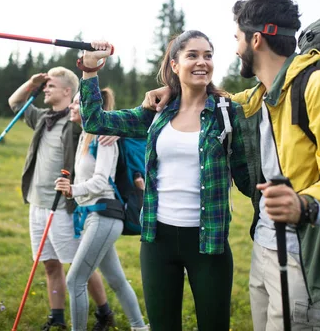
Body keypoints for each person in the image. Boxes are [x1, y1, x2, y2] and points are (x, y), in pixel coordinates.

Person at [143, 0, 320, 330]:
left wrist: (306, 205)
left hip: (303, 255)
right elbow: (208, 102)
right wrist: (175, 92)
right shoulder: (258, 97)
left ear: (256, 39)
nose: (236, 48)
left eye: (237, 38)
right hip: (264, 247)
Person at [76, 31, 250, 331]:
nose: (202, 62)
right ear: (174, 64)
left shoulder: (228, 112)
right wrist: (90, 71)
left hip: (208, 242)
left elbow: (249, 177)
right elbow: (95, 121)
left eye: (208, 55)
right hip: (157, 239)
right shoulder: (157, 111)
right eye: (192, 55)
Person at [8, 67, 116, 331]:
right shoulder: (43, 117)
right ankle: (57, 317)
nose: (46, 89)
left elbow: (102, 122)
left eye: (51, 86)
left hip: (64, 206)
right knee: (49, 265)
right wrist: (32, 83)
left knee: (79, 266)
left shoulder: (77, 121)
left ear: (68, 91)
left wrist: (114, 130)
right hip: (37, 203)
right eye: (45, 86)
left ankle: (105, 313)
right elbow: (15, 103)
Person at [54, 88, 149, 331]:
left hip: (104, 215)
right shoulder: (85, 136)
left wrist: (72, 189)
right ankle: (140, 328)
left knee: (75, 280)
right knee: (116, 280)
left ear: (89, 108)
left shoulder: (103, 138)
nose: (72, 107)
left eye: (76, 103)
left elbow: (100, 182)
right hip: (91, 217)